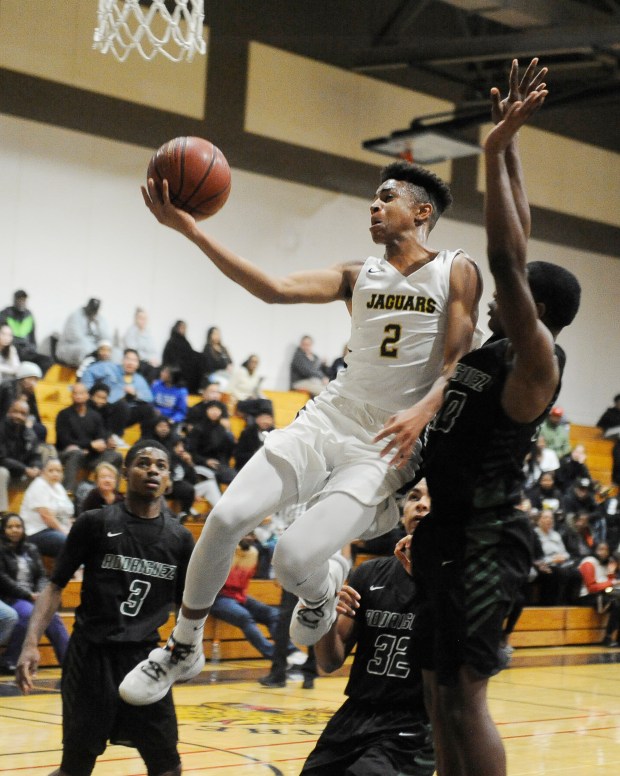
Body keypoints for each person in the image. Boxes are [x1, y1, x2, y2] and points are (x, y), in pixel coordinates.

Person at [119, 97, 482, 706]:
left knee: (290, 561)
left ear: (421, 212)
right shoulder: (355, 274)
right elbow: (271, 287)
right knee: (227, 518)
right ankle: (182, 644)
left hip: (386, 444)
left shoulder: (456, 268)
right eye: (372, 197)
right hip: (329, 416)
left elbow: (460, 360)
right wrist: (189, 229)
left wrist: (425, 409)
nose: (374, 204)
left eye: (386, 196)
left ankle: (321, 588)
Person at [387, 60, 581, 776]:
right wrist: (513, 144)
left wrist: (493, 153)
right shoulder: (502, 343)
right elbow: (519, 242)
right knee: (436, 695)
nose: (501, 295)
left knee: (466, 699)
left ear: (538, 311)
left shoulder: (536, 359)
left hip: (485, 545)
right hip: (446, 532)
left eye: (516, 294)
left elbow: (506, 256)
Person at [16, 440, 195, 776]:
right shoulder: (94, 523)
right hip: (90, 658)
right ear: (125, 472)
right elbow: (54, 587)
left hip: (145, 660)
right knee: (75, 768)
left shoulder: (180, 538)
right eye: (143, 463)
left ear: (169, 477)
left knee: (168, 767)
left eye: (161, 465)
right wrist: (29, 645)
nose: (152, 469)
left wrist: (183, 655)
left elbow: (188, 606)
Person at [301, 480, 434, 775]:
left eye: (431, 498)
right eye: (414, 497)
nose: (421, 504)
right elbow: (329, 661)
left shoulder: (454, 579)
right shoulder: (368, 574)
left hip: (413, 723)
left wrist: (429, 579)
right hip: (356, 713)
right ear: (402, 513)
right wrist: (324, 614)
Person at [0, 512, 69, 673]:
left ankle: (68, 660)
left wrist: (41, 594)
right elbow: (2, 579)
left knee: (52, 616)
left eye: (18, 526)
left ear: (24, 529)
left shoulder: (31, 548)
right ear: (3, 530)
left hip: (33, 595)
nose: (14, 530)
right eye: (10, 527)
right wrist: (28, 595)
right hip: (10, 596)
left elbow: (41, 576)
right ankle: (11, 659)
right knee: (28, 613)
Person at [210, 532, 296, 660]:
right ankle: (274, 655)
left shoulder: (253, 553)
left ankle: (290, 650)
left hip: (240, 596)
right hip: (217, 598)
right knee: (244, 616)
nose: (249, 538)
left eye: (251, 535)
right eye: (245, 534)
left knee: (273, 614)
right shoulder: (224, 551)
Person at [55, 382, 123, 492]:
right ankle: (67, 492)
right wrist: (89, 445)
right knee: (76, 453)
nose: (78, 396)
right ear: (71, 395)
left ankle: (113, 494)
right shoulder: (63, 415)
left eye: (81, 393)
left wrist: (104, 444)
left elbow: (100, 437)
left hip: (90, 455)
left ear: (87, 395)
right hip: (68, 454)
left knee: (117, 456)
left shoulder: (95, 416)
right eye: (75, 393)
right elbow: (64, 441)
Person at [20, 458, 74, 558]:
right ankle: (66, 573)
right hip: (35, 532)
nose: (55, 474)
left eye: (58, 471)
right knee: (65, 541)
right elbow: (46, 516)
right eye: (51, 470)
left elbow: (67, 514)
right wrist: (65, 532)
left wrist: (72, 530)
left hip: (55, 530)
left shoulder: (59, 487)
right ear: (43, 472)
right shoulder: (39, 485)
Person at [0, 398, 42, 512]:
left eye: (23, 414)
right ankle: (2, 514)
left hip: (19, 474)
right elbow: (2, 459)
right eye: (16, 412)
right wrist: (25, 469)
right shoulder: (1, 428)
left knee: (42, 476)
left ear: (27, 416)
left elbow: (36, 456)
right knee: (2, 472)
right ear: (9, 411)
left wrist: (36, 467)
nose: (18, 416)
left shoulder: (29, 433)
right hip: (5, 473)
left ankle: (33, 513)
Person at [578, 541, 620, 647]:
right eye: (601, 549)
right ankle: (608, 637)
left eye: (606, 550)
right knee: (616, 604)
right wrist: (612, 582)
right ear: (594, 550)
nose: (604, 552)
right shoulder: (588, 562)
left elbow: (610, 582)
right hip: (587, 596)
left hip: (603, 593)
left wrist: (611, 572)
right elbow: (591, 587)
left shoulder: (606, 563)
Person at [0, 289, 52, 375]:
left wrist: (32, 349)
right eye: (19, 299)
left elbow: (33, 338)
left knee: (46, 360)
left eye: (24, 300)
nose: (22, 302)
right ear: (14, 300)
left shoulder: (29, 315)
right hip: (12, 349)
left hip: (26, 351)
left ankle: (38, 383)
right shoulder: (5, 314)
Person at [56, 298, 113, 368]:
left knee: (115, 353)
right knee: (86, 349)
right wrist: (95, 349)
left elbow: (106, 338)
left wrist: (98, 326)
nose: (92, 312)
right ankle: (87, 374)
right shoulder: (75, 316)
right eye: (91, 309)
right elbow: (76, 338)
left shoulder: (99, 319)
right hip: (70, 348)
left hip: (93, 347)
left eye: (95, 310)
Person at [0, 360, 47, 442]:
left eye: (36, 380)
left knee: (41, 429)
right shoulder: (8, 388)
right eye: (33, 379)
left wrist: (30, 420)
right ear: (24, 378)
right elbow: (7, 413)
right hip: (5, 422)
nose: (35, 383)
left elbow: (34, 414)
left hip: (21, 422)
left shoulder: (29, 393)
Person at [162, 320, 203, 394]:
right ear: (176, 328)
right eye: (181, 327)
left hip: (184, 366)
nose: (183, 330)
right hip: (175, 366)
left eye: (185, 328)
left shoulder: (185, 341)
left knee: (200, 360)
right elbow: (169, 358)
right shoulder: (171, 342)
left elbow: (190, 353)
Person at [226, 354, 273, 419]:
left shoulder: (256, 375)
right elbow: (229, 388)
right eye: (252, 362)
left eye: (256, 362)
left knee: (268, 402)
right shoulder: (240, 372)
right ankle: (271, 425)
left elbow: (258, 392)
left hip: (250, 402)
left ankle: (266, 424)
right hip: (240, 401)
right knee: (263, 404)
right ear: (248, 362)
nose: (254, 364)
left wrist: (266, 399)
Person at [123, 307, 160, 382]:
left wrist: (154, 360)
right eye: (140, 318)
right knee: (148, 370)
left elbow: (153, 350)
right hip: (137, 361)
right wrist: (148, 359)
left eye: (145, 318)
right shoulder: (131, 332)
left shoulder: (148, 333)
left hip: (149, 362)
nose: (143, 321)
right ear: (136, 319)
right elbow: (133, 351)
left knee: (159, 369)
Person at [202, 326, 233, 390]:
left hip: (226, 374)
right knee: (224, 384)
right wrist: (224, 366)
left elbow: (230, 361)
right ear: (210, 335)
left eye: (218, 334)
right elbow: (210, 365)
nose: (217, 336)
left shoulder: (223, 348)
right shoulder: (208, 348)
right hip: (214, 374)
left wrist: (229, 365)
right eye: (215, 334)